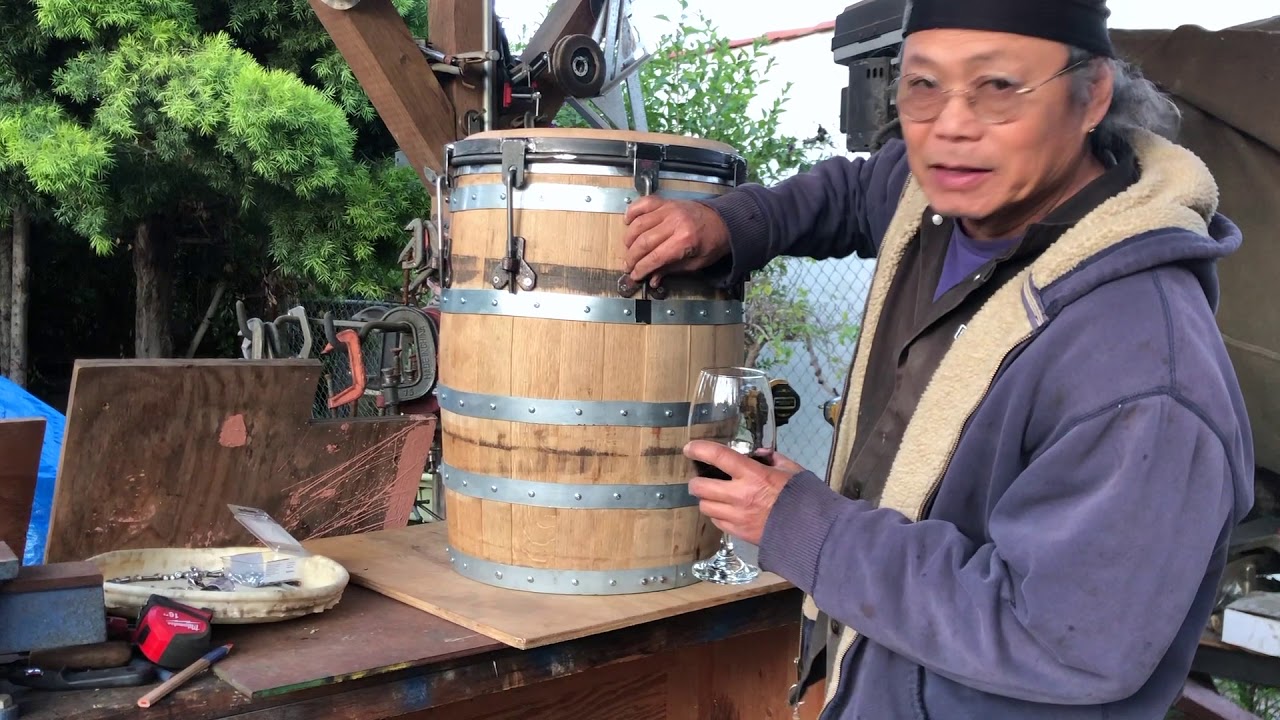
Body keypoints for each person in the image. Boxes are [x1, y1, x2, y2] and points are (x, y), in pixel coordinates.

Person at [621, 1, 1255, 718]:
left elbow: (1065, 641)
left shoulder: (1142, 368)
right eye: (923, 84)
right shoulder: (936, 203)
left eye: (998, 86)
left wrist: (806, 527)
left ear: (1092, 95)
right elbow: (855, 190)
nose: (951, 124)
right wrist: (732, 223)